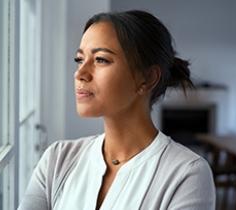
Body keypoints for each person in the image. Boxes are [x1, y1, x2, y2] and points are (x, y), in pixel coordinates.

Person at [18, 10, 215, 210]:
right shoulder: (57, 159)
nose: (80, 73)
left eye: (101, 59)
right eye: (79, 59)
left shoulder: (187, 175)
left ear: (147, 78)